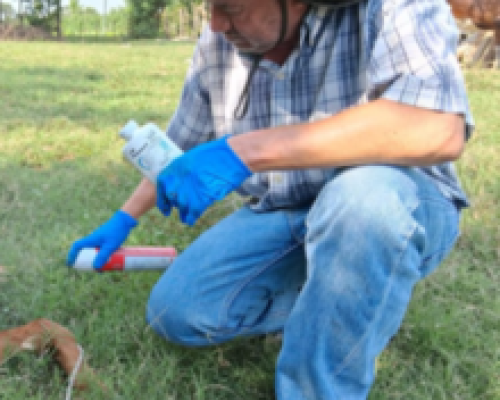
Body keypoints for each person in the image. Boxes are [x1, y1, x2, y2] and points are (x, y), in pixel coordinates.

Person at [68, 0, 472, 397]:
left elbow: (438, 128)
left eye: (231, 8)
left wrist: (246, 151)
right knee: (178, 310)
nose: (216, 24)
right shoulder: (218, 46)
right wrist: (124, 219)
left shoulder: (388, 8)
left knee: (361, 201)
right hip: (288, 207)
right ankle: (338, 303)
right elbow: (181, 146)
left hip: (393, 201)